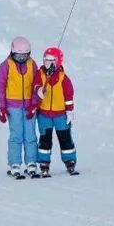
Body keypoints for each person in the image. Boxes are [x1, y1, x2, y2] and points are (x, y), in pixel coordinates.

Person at [0, 37, 39, 178]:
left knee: (31, 135)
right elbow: (0, 87)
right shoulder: (6, 65)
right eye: (19, 55)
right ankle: (15, 163)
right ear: (13, 52)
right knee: (16, 135)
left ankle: (31, 162)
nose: (22, 58)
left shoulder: (32, 65)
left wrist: (34, 105)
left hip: (29, 106)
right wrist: (2, 108)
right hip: (12, 107)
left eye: (25, 55)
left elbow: (37, 85)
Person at [33, 46, 77, 177]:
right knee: (45, 139)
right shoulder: (40, 74)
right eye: (45, 60)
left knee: (65, 139)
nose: (48, 63)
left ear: (58, 61)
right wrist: (39, 89)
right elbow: (35, 85)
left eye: (51, 60)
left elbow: (69, 96)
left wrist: (69, 111)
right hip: (44, 115)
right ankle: (44, 163)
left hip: (61, 115)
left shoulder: (63, 78)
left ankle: (70, 160)